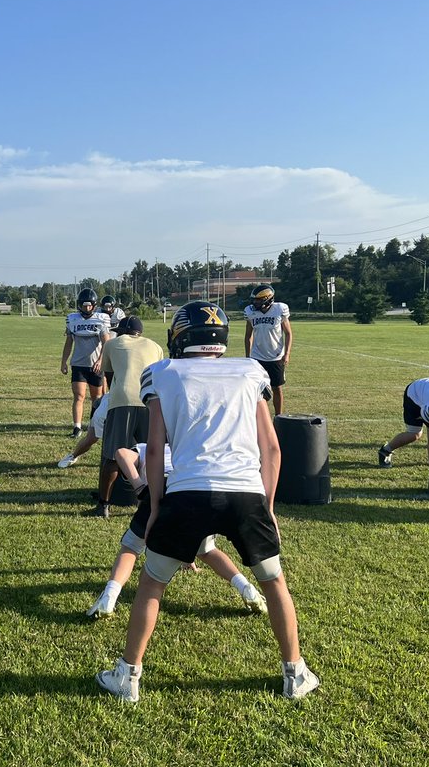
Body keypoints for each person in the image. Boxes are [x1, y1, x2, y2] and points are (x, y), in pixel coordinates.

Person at [96, 300, 318, 703]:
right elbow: (271, 449)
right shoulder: (251, 371)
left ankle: (127, 677)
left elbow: (156, 445)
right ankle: (296, 673)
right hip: (246, 491)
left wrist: (157, 506)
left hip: (187, 492)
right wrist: (267, 507)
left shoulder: (162, 373)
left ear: (180, 336)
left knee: (151, 584)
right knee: (274, 582)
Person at [87, 441, 268, 618]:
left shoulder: (147, 447)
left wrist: (140, 485)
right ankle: (246, 588)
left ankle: (109, 597)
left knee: (131, 547)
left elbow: (121, 453)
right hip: (194, 491)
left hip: (165, 488)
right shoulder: (188, 448)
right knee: (207, 550)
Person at [92, 315, 164, 519]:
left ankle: (103, 505)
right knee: (150, 454)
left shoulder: (112, 344)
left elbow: (109, 376)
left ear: (122, 331)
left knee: (113, 455)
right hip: (150, 400)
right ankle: (152, 503)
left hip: (122, 399)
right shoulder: (155, 346)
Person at [60, 287, 111, 438]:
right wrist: (64, 361)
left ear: (94, 305)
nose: (87, 308)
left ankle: (94, 426)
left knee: (97, 398)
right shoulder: (73, 319)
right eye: (84, 305)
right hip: (78, 364)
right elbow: (69, 342)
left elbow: (106, 342)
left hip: (95, 365)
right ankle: (77, 427)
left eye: (89, 305)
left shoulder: (101, 319)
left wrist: (100, 360)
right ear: (79, 305)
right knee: (79, 396)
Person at [243, 284, 293, 415]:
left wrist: (287, 354)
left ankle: (278, 417)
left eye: (258, 300)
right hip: (257, 356)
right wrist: (248, 357)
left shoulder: (280, 309)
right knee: (257, 389)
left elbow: (288, 333)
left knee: (277, 388)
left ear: (268, 299)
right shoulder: (250, 312)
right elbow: (248, 336)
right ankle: (258, 417)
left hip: (276, 356)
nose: (255, 302)